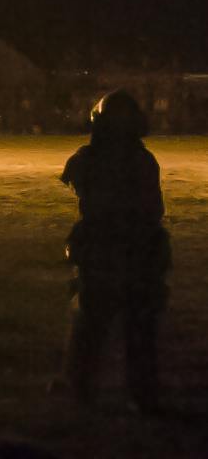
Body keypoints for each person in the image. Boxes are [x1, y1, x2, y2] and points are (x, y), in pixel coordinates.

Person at [60, 88, 170, 414]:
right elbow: (154, 208)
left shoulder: (88, 159)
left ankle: (82, 387)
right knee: (135, 329)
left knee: (92, 325)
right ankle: (139, 393)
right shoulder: (142, 160)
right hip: (137, 251)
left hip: (107, 251)